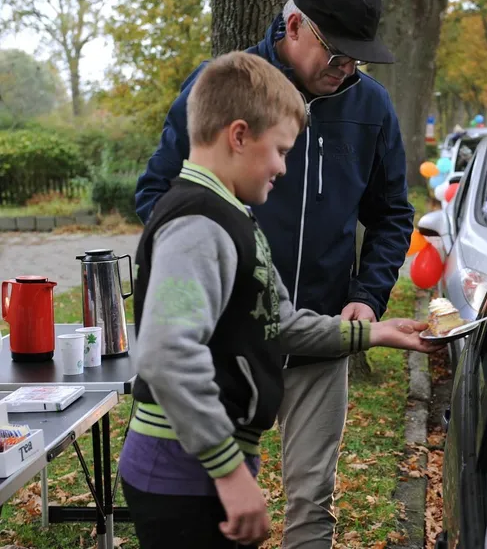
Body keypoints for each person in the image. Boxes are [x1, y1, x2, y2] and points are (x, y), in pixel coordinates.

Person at [119, 51, 439, 549]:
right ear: (239, 135)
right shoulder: (198, 224)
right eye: (281, 150)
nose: (284, 169)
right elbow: (165, 353)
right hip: (181, 473)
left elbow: (276, 322)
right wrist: (229, 472)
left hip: (198, 469)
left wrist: (373, 331)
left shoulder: (230, 215)